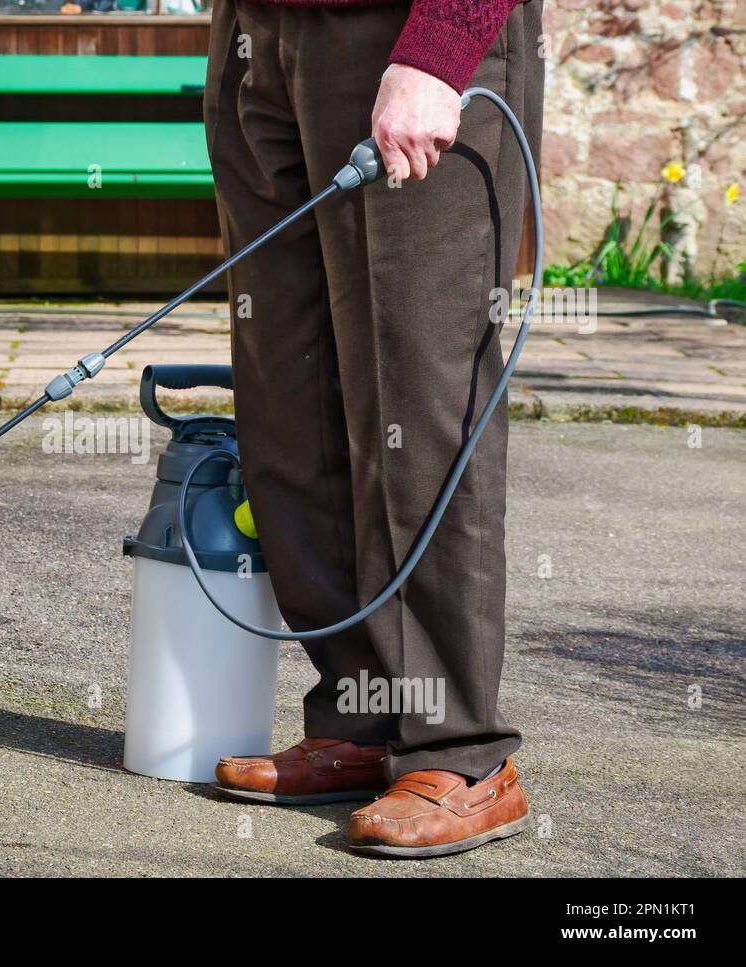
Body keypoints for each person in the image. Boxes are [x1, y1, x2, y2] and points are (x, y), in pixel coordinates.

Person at [206, 0, 543, 857]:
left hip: (403, 33)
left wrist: (440, 46)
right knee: (291, 392)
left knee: (415, 386)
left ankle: (457, 752)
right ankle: (361, 715)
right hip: (259, 36)